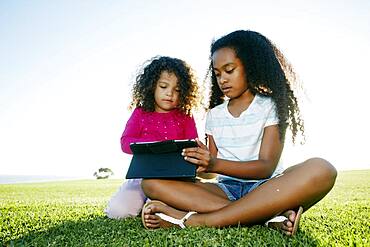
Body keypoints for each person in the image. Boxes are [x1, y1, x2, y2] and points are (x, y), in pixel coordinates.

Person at [141, 30, 337, 236]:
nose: (222, 79)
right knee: (151, 183)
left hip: (267, 187)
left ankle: (195, 220)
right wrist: (198, 163)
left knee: (322, 168)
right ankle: (265, 215)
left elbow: (265, 167)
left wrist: (214, 164)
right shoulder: (214, 115)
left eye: (229, 70)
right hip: (225, 190)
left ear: (250, 67)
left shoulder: (271, 106)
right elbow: (211, 172)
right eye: (217, 74)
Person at [105, 56, 199, 219]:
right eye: (164, 86)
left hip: (174, 181)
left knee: (162, 212)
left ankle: (154, 205)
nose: (170, 93)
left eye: (177, 90)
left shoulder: (185, 117)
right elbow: (125, 142)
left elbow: (193, 146)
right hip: (141, 178)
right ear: (152, 86)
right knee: (118, 212)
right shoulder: (140, 113)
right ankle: (144, 203)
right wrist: (154, 145)